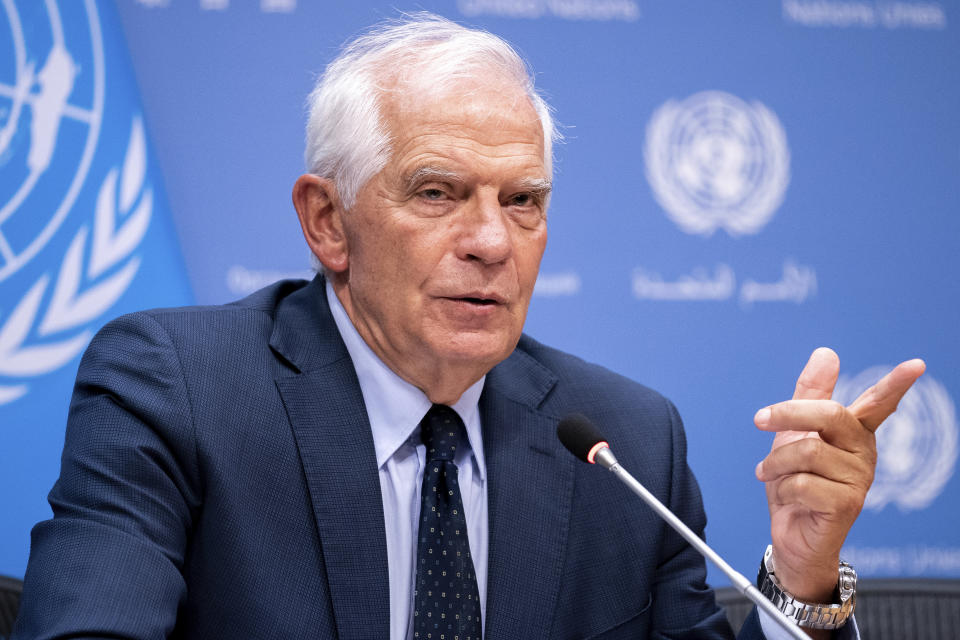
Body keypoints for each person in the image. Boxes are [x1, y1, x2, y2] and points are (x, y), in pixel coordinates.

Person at [13, 13, 924, 640]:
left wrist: (801, 574)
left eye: (523, 201)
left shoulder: (626, 441)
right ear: (327, 222)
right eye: (438, 192)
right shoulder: (180, 388)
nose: (491, 242)